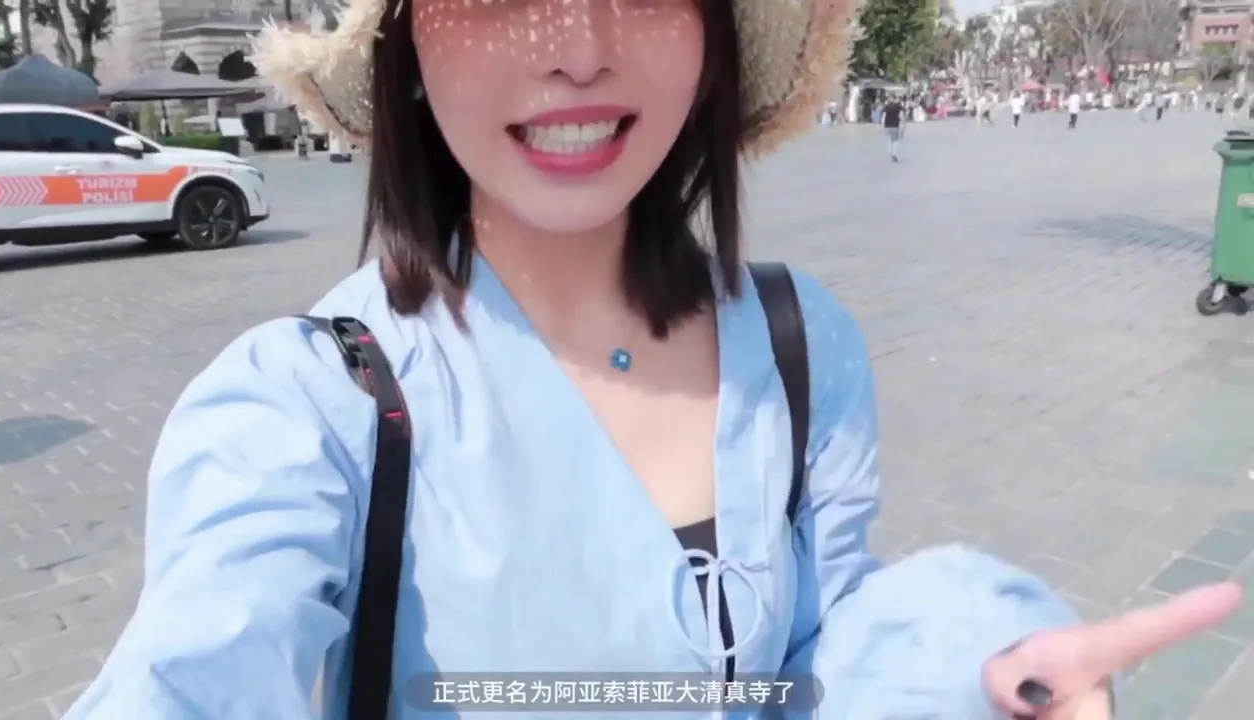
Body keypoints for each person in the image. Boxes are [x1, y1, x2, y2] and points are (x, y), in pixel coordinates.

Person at [63, 1, 1241, 719]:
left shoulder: (800, 343)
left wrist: (980, 669)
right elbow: (202, 663)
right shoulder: (308, 405)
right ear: (405, 41)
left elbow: (821, 653)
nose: (578, 49)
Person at [880, 94, 905, 162]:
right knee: (895, 141)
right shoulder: (898, 106)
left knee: (889, 140)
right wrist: (903, 124)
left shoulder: (886, 106)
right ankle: (894, 154)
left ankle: (891, 154)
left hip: (887, 125)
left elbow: (883, 116)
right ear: (895, 99)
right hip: (895, 126)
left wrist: (881, 124)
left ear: (889, 99)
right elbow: (902, 116)